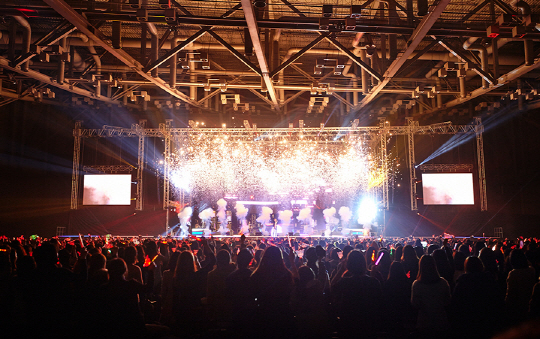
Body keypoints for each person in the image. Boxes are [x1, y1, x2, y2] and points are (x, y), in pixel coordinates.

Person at [332, 250, 382, 338]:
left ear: (349, 265)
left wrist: (341, 269)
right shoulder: (373, 281)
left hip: (349, 323)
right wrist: (373, 276)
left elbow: (332, 287)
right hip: (369, 323)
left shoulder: (344, 282)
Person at [450, 256, 504, 338]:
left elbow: (456, 302)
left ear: (466, 267)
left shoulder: (462, 282)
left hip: (469, 320)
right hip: (488, 318)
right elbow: (498, 298)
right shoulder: (489, 279)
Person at [249, 246, 294, 338]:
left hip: (263, 315)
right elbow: (295, 287)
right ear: (280, 258)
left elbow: (251, 296)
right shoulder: (286, 275)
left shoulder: (257, 275)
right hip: (283, 315)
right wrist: (292, 262)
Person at [411, 255, 451, 338]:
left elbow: (415, 304)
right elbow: (447, 301)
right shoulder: (443, 283)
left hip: (424, 321)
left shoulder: (417, 284)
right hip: (440, 320)